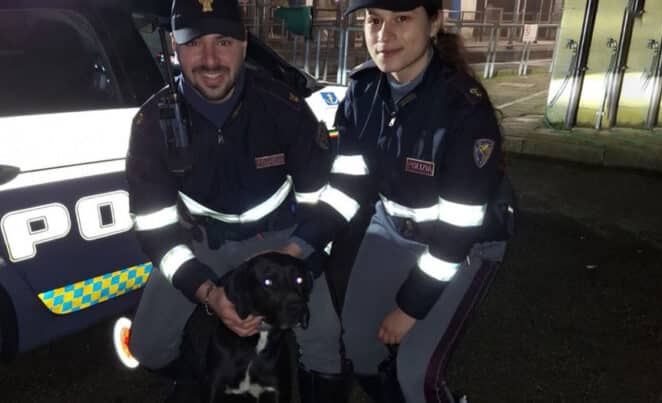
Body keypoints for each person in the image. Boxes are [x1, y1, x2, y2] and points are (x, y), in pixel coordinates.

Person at [281, 0, 515, 402]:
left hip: (465, 245)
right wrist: (297, 246)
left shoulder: (464, 108)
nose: (383, 35)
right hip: (392, 227)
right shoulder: (363, 89)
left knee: (416, 373)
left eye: (402, 19)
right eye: (374, 20)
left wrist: (409, 308)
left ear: (435, 22)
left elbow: (456, 233)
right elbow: (348, 188)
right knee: (358, 346)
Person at [125, 0, 347, 399]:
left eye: (224, 41)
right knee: (148, 347)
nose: (210, 60)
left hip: (281, 240)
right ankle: (209, 379)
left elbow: (329, 200)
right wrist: (207, 292)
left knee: (324, 346)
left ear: (245, 43)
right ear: (175, 48)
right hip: (201, 243)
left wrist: (300, 256)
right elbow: (153, 227)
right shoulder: (149, 125)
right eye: (195, 44)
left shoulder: (285, 107)